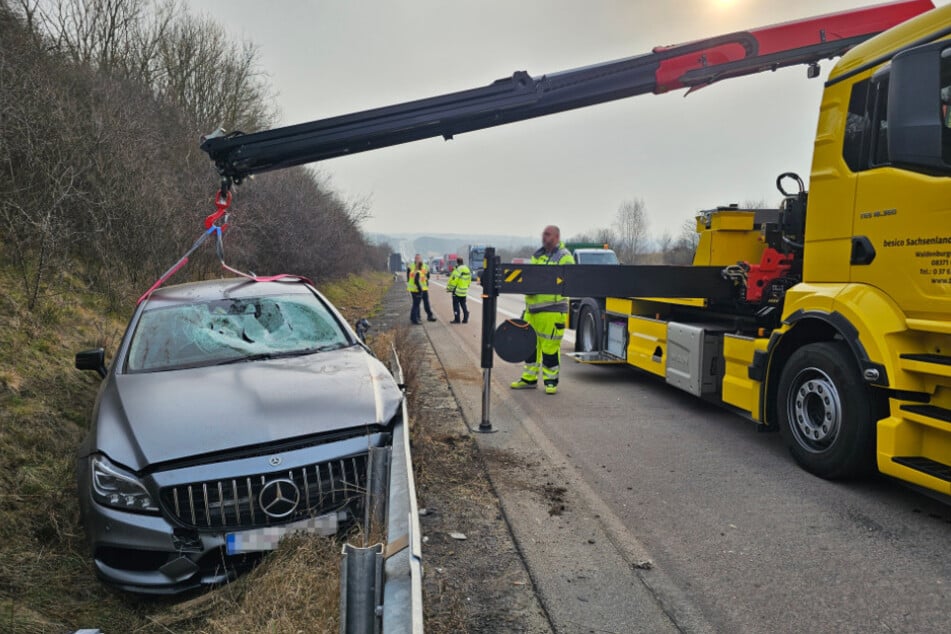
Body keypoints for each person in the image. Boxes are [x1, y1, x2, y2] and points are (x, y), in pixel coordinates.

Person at [511, 225, 575, 395]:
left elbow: (565, 280)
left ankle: (551, 382)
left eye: (547, 234)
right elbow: (531, 278)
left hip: (552, 311)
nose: (543, 237)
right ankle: (529, 379)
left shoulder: (565, 257)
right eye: (543, 234)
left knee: (549, 348)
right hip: (532, 311)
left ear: (556, 236)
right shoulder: (537, 256)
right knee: (530, 346)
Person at [406, 254, 436, 324]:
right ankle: (417, 317)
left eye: (419, 258)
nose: (418, 260)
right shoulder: (411, 266)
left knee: (426, 303)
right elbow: (409, 277)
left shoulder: (425, 266)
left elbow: (428, 276)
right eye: (416, 258)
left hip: (423, 288)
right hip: (416, 288)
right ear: (415, 259)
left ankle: (429, 316)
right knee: (416, 304)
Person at [446, 256, 471, 323]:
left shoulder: (457, 270)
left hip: (457, 291)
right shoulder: (467, 269)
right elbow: (469, 280)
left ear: (457, 262)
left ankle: (457, 319)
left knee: (456, 305)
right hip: (464, 290)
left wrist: (449, 288)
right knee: (463, 304)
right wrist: (466, 286)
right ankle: (465, 317)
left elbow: (454, 280)